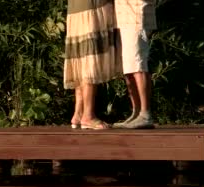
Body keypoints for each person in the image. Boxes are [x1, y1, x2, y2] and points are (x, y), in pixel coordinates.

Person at [64, 0, 122, 130]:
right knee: (90, 57)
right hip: (93, 7)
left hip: (77, 8)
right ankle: (88, 116)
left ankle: (78, 114)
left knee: (81, 56)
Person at [112, 0, 157, 129]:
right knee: (128, 67)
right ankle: (136, 112)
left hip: (136, 16)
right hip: (122, 16)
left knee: (138, 65)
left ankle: (145, 113)